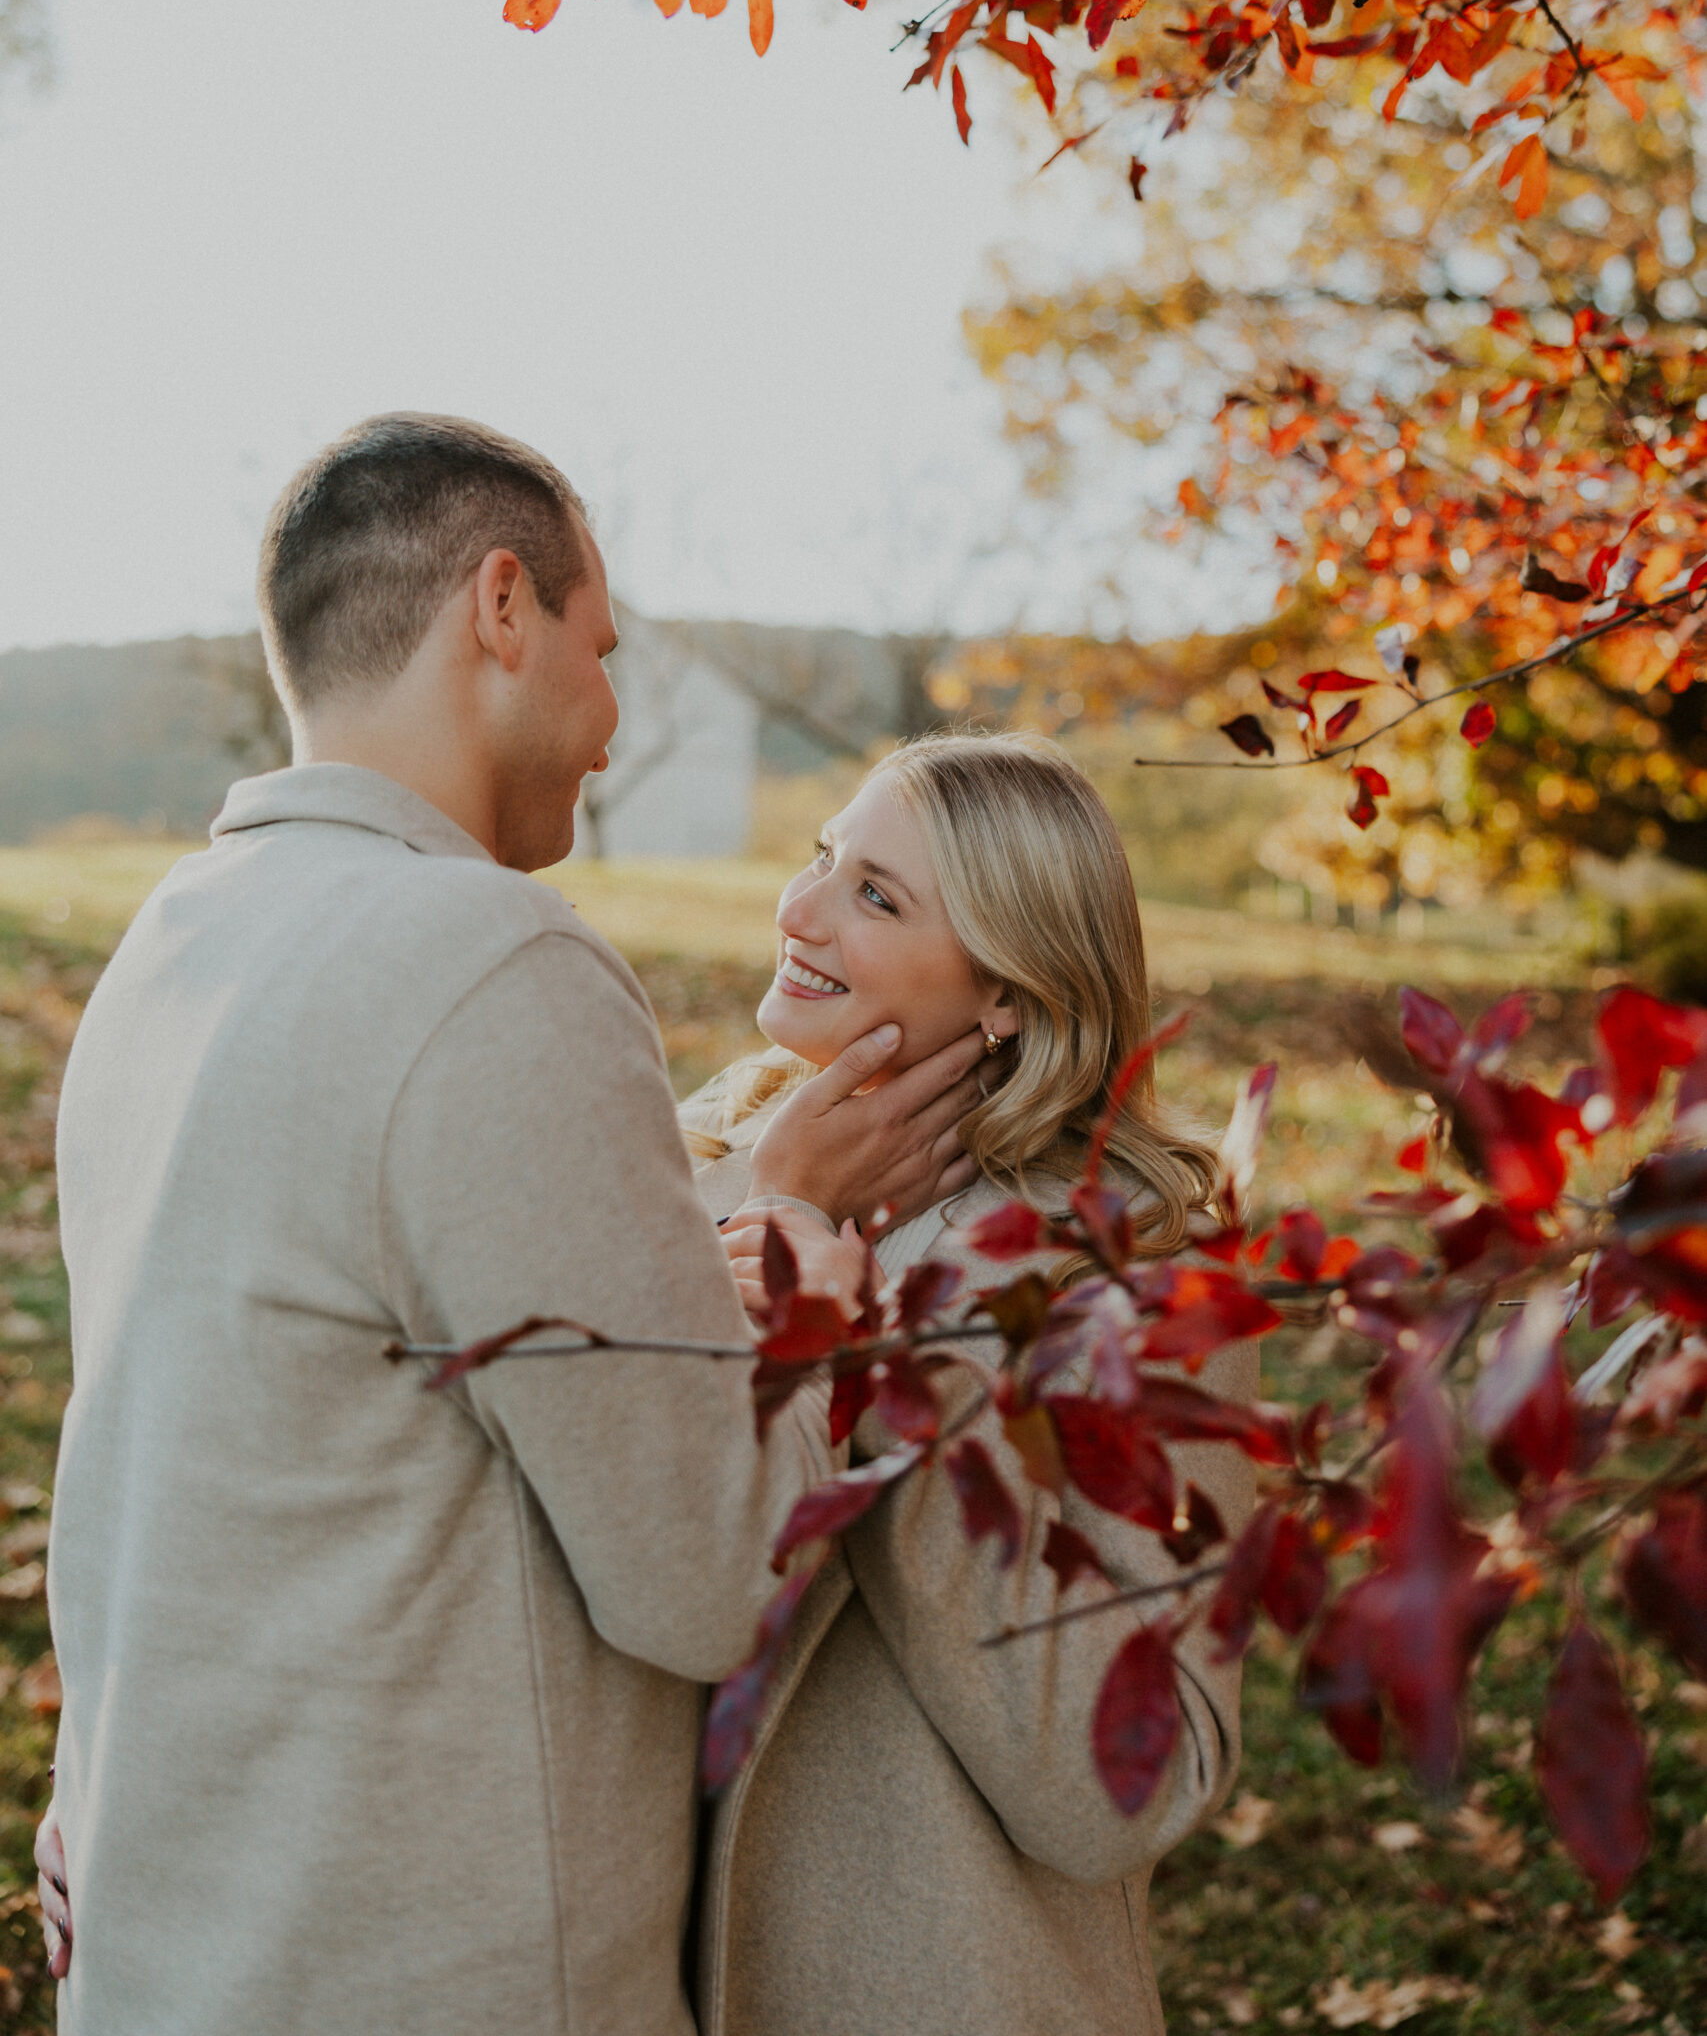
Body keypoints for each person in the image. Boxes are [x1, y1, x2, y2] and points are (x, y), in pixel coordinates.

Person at [34, 414, 987, 2036]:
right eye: (600, 650)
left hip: (168, 1940)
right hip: (426, 1972)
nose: (611, 720)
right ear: (499, 608)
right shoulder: (491, 957)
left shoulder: (172, 947)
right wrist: (811, 1264)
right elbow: (706, 1570)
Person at [682, 734, 1254, 2036]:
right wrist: (781, 1207)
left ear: (1009, 991)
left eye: (876, 896)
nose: (802, 910)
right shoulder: (699, 1159)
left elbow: (1137, 1780)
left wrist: (885, 1378)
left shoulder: (1135, 1282)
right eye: (822, 858)